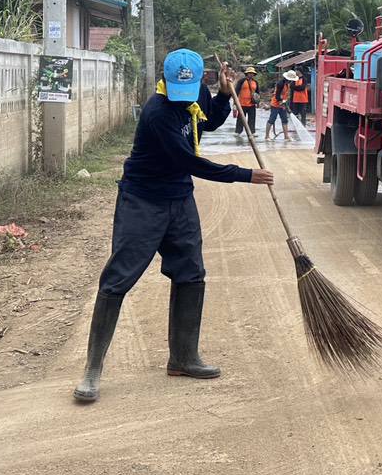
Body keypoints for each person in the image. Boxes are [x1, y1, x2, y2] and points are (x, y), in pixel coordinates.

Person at [73, 50, 273, 403]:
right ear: (164, 80)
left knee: (191, 274)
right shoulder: (157, 112)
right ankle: (92, 369)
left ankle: (183, 357)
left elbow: (208, 122)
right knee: (118, 278)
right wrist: (245, 175)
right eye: (178, 91)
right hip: (143, 201)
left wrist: (223, 94)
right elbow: (188, 161)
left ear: (199, 81)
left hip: (180, 200)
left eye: (191, 90)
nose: (185, 98)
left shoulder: (197, 92)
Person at [234, 66, 260, 137]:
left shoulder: (255, 82)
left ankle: (252, 132)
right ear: (247, 74)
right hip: (242, 104)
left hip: (252, 104)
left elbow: (257, 93)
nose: (251, 74)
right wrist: (235, 104)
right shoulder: (241, 81)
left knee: (252, 118)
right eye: (249, 73)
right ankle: (238, 132)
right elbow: (236, 92)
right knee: (240, 119)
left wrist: (258, 103)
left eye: (252, 73)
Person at [266, 72, 293, 140]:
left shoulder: (287, 84)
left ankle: (286, 136)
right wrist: (283, 102)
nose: (291, 81)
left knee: (285, 120)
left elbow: (286, 95)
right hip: (275, 104)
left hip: (282, 105)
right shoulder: (280, 84)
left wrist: (285, 104)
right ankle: (267, 136)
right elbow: (277, 96)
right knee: (272, 119)